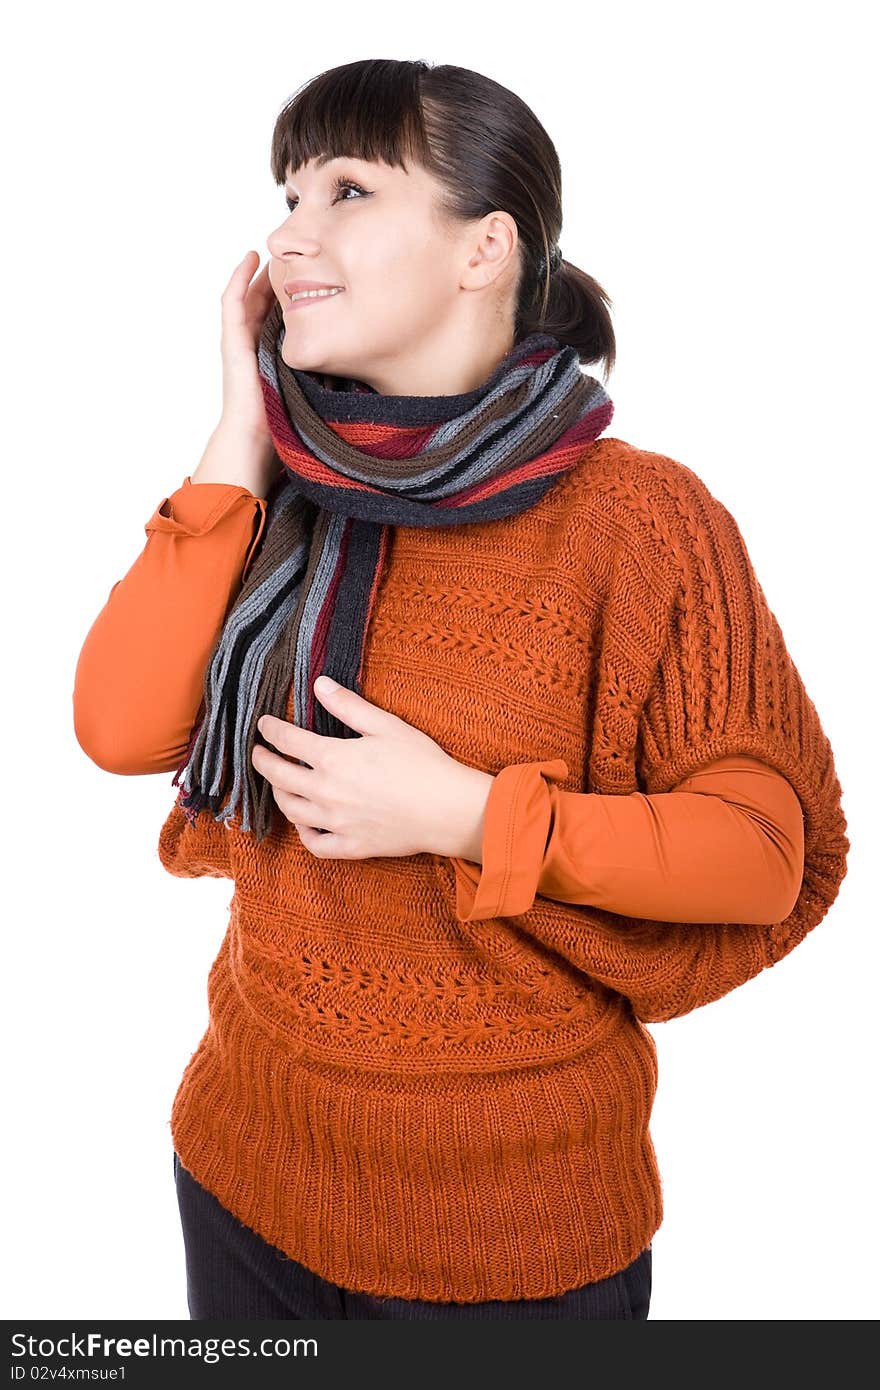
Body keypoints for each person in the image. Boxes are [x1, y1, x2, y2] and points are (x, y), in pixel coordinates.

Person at [73, 57, 849, 1320]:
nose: (288, 233)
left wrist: (469, 815)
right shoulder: (287, 487)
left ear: (484, 247)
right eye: (284, 194)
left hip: (517, 1236)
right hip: (247, 1167)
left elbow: (765, 852)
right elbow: (118, 729)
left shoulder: (637, 520)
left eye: (346, 191)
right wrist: (238, 435)